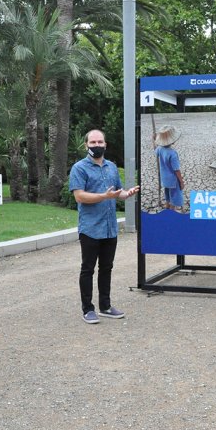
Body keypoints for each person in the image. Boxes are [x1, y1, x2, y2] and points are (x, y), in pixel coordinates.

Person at [69, 129, 140, 324]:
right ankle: (87, 309)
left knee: (107, 267)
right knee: (88, 268)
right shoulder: (79, 168)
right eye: (93, 142)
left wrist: (128, 193)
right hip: (91, 228)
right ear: (86, 145)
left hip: (110, 228)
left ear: (105, 144)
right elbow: (79, 196)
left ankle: (106, 306)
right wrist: (103, 196)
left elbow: (118, 192)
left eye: (100, 142)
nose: (97, 145)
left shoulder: (111, 167)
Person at [153, 125, 185, 211]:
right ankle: (171, 212)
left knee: (167, 194)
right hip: (173, 180)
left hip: (164, 178)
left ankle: (167, 206)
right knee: (174, 198)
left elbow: (155, 151)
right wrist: (181, 182)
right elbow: (176, 170)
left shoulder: (160, 149)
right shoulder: (173, 153)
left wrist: (153, 140)